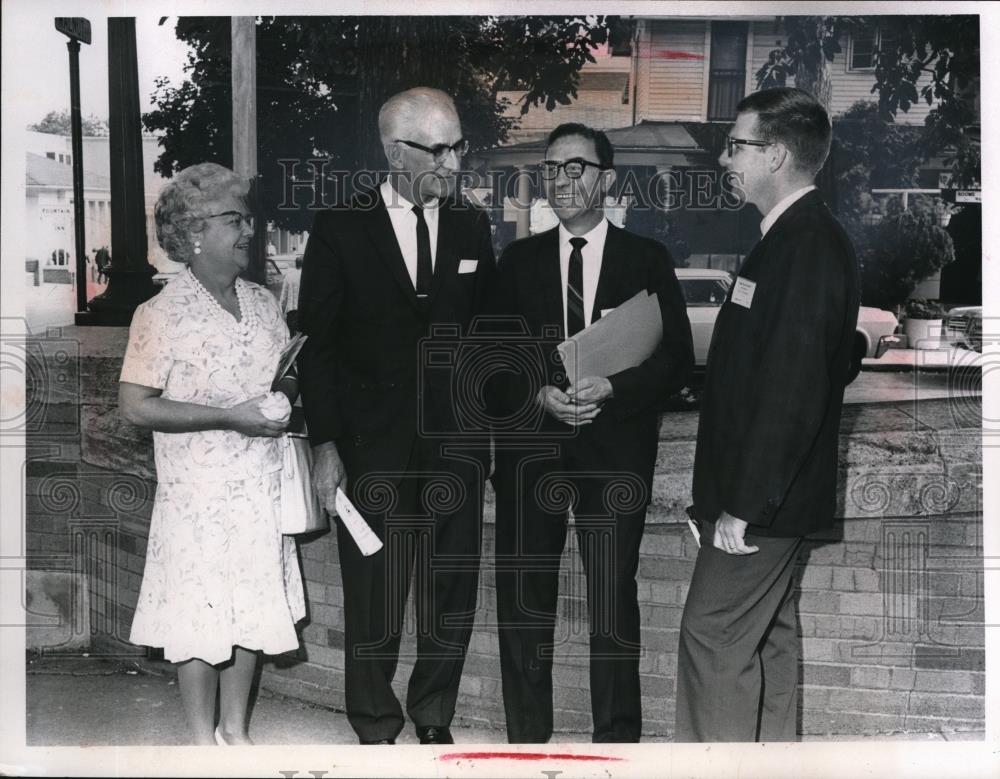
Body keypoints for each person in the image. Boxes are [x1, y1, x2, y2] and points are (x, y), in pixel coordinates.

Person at [297, 87, 496, 745]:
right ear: (392, 150)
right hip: (368, 444)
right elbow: (318, 346)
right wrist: (325, 443)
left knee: (451, 587)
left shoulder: (472, 224)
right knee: (373, 589)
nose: (454, 161)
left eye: (458, 145)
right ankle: (376, 722)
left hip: (457, 446)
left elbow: (488, 334)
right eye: (438, 149)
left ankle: (433, 714)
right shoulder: (341, 225)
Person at [490, 123, 694, 743]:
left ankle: (617, 741)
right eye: (551, 168)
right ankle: (527, 738)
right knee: (525, 600)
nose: (560, 179)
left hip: (615, 454)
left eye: (575, 167)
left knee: (612, 599)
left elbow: (677, 359)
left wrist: (613, 387)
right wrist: (539, 395)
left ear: (607, 178)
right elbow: (493, 362)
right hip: (533, 456)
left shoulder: (647, 259)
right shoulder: (518, 260)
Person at [675, 88, 861, 742]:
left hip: (761, 506)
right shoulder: (795, 239)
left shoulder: (804, 245)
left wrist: (743, 505)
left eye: (736, 145)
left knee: (712, 636)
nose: (725, 158)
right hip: (767, 500)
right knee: (766, 639)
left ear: (775, 154)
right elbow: (815, 357)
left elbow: (792, 389)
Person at [118, 162, 306, 746]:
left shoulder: (263, 302)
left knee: (250, 607)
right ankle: (202, 741)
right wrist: (230, 416)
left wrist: (285, 395)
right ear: (194, 232)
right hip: (197, 495)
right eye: (234, 220)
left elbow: (279, 381)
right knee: (198, 617)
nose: (248, 230)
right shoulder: (160, 313)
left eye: (247, 218)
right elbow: (136, 406)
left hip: (259, 486)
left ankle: (236, 733)